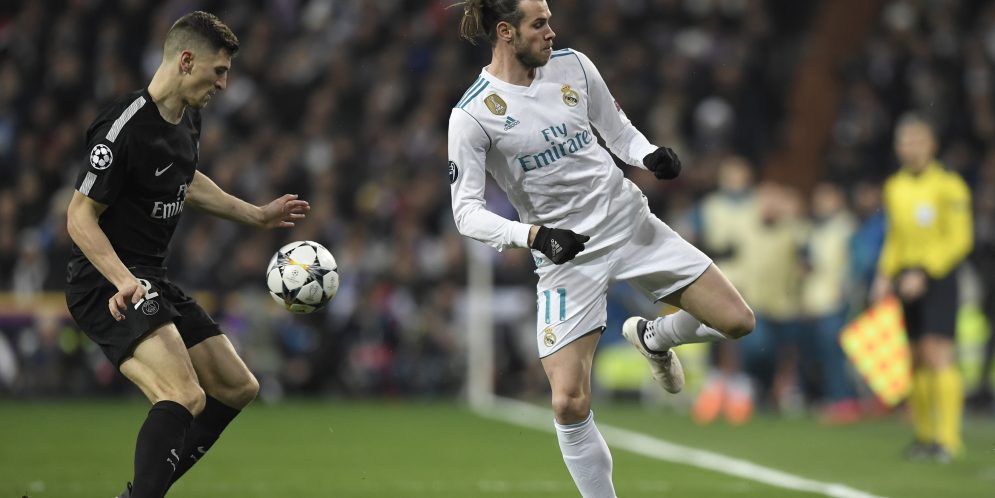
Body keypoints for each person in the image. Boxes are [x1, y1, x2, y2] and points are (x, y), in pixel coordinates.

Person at [449, 1, 754, 495]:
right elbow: (466, 212)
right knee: (568, 402)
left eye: (550, 20)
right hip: (566, 255)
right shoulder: (473, 114)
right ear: (506, 32)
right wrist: (534, 236)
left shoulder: (573, 65)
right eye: (539, 24)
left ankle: (656, 337)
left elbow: (618, 132)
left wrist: (648, 155)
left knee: (738, 321)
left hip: (629, 224)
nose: (552, 31)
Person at [64, 12, 310, 497]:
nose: (224, 84)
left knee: (237, 386)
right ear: (186, 60)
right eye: (218, 71)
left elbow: (186, 180)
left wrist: (257, 215)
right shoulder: (123, 126)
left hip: (150, 277)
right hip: (106, 282)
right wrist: (123, 280)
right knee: (182, 394)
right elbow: (79, 216)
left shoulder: (187, 118)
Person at [870, 115, 972, 462]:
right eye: (905, 142)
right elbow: (895, 237)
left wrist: (925, 271)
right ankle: (925, 437)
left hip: (939, 276)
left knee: (937, 353)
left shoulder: (950, 185)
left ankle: (948, 440)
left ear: (932, 146)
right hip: (906, 276)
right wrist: (884, 274)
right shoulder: (895, 186)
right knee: (913, 357)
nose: (911, 149)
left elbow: (960, 239)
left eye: (918, 142)